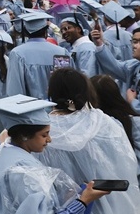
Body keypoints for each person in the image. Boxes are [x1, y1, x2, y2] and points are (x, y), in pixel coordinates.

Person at [0, 94, 110, 214]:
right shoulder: (26, 173)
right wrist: (84, 200)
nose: (49, 140)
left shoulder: (3, 154)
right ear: (24, 136)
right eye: (44, 135)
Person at [34, 68, 140, 213]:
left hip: (65, 207)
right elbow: (125, 164)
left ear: (51, 91)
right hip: (108, 203)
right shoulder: (105, 123)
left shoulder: (42, 131)